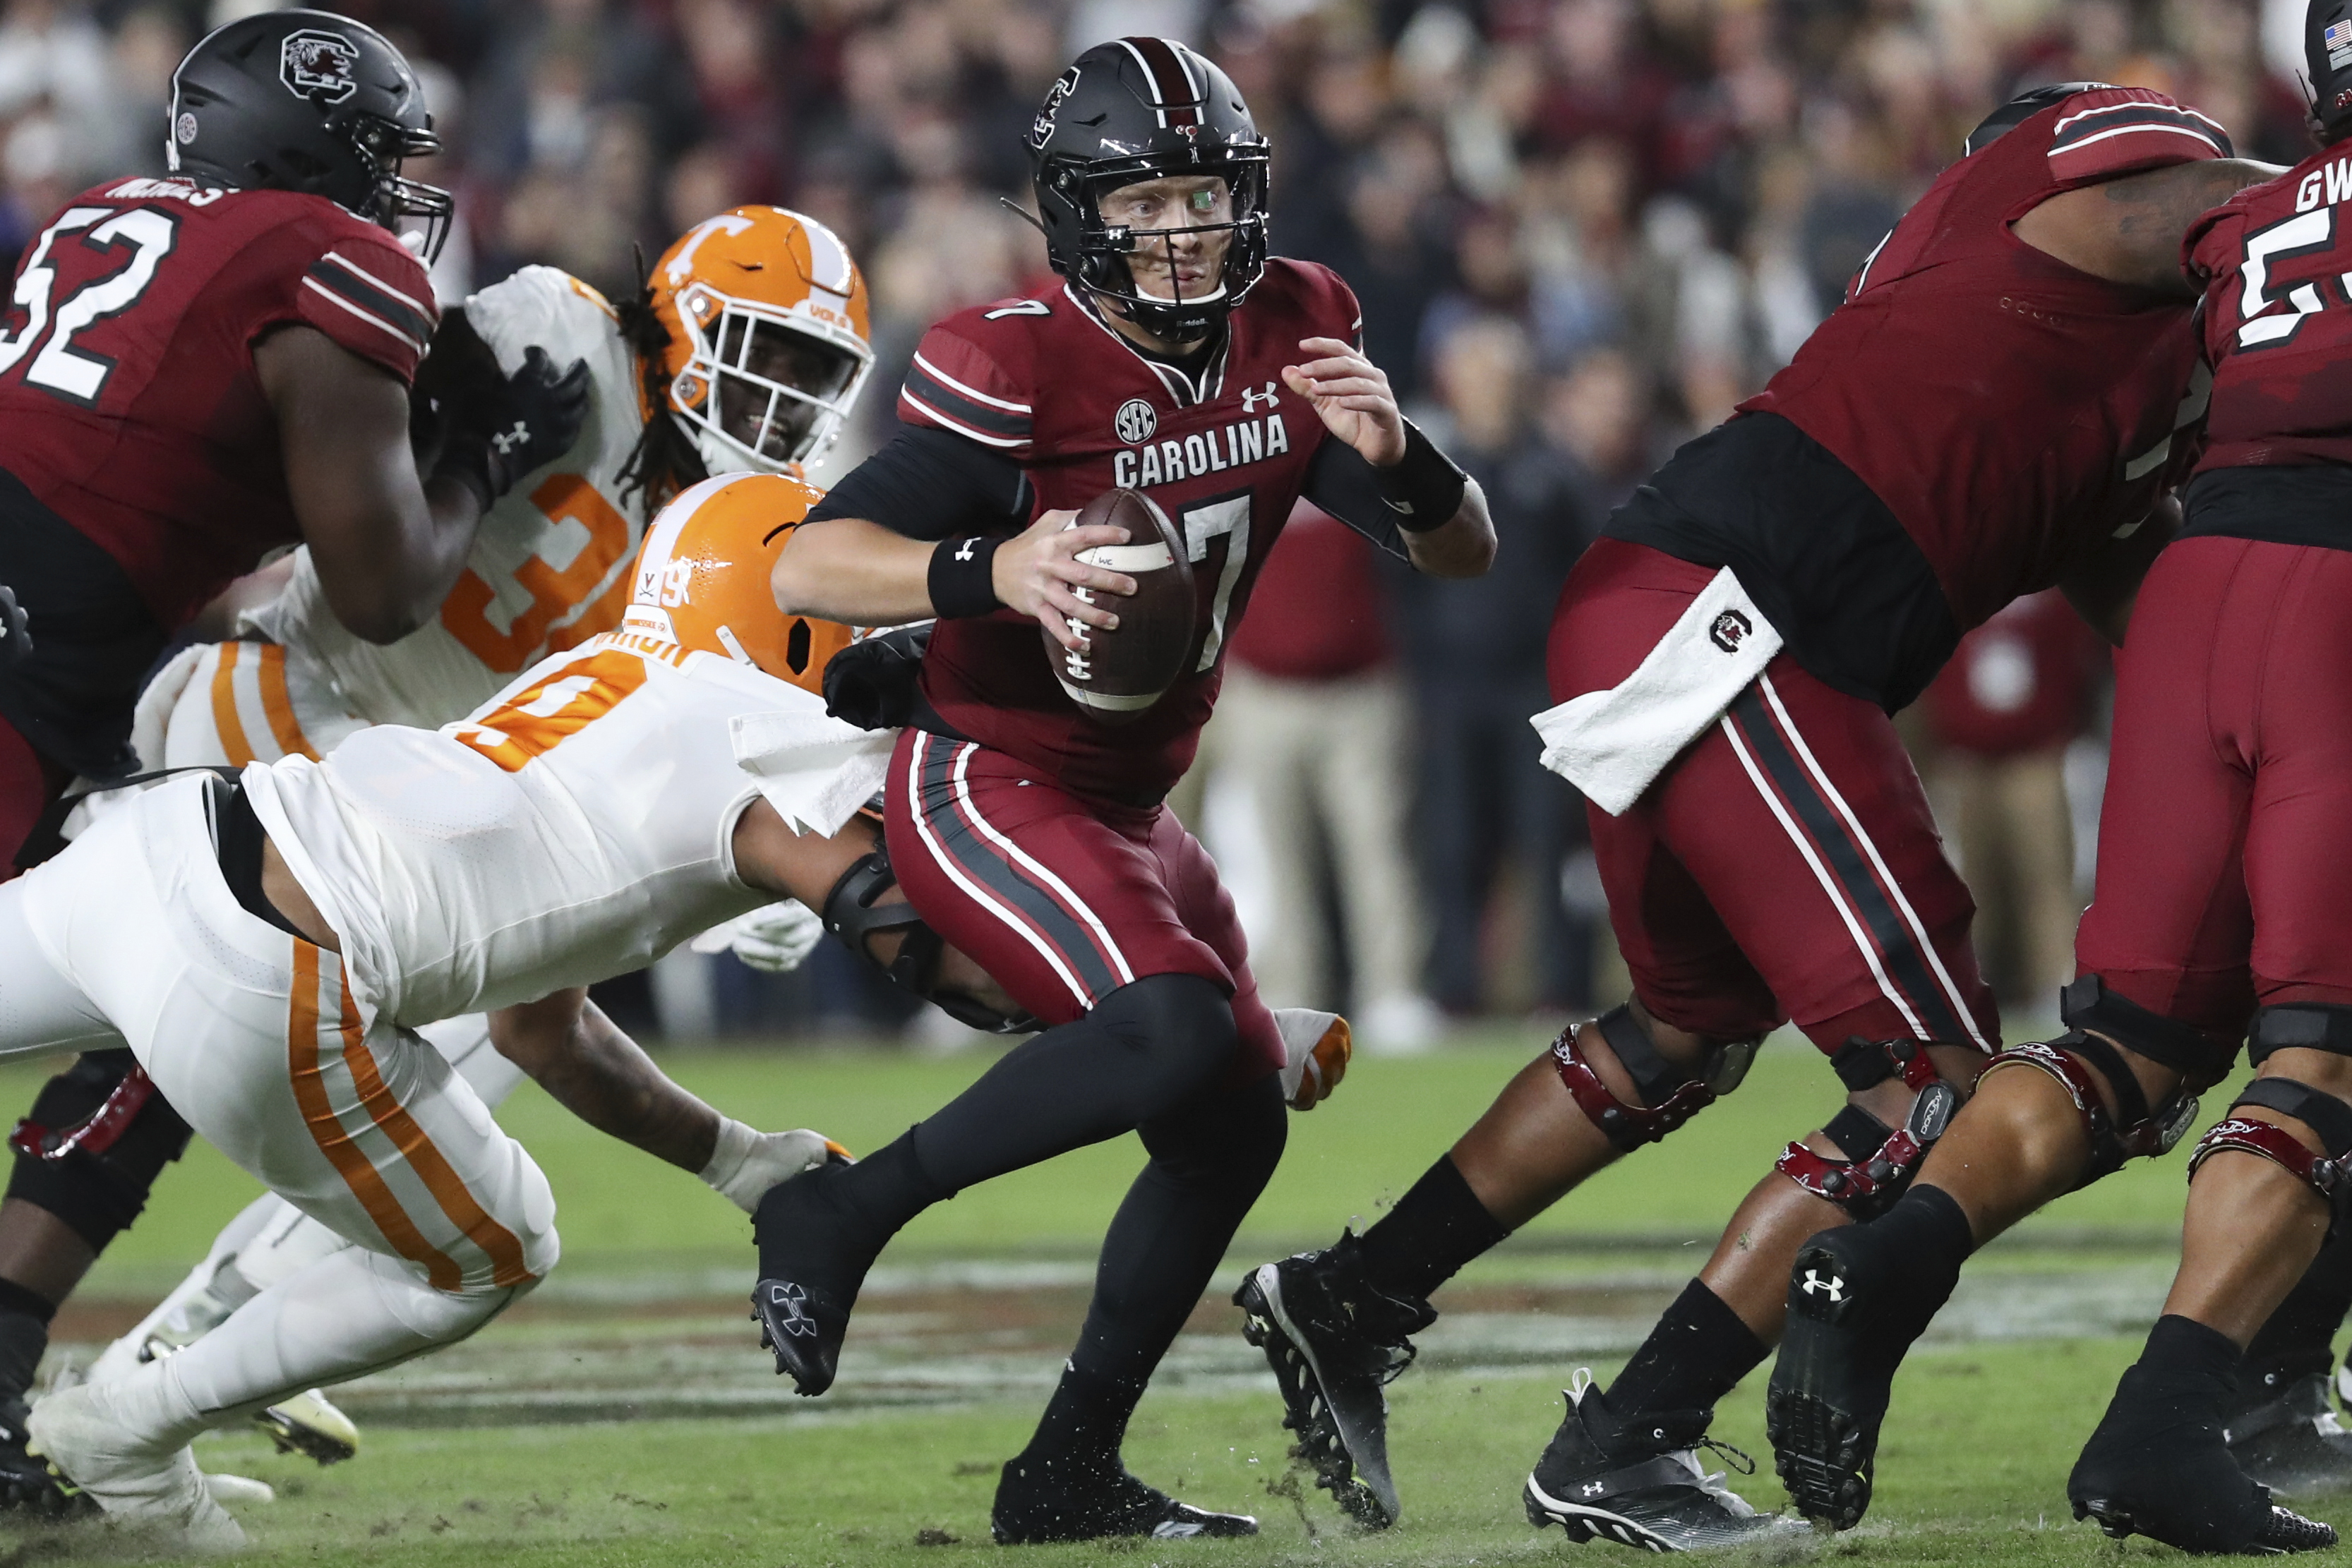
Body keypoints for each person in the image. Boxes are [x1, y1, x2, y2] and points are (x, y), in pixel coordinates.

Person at [1232, 81, 2272, 1545]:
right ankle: (1627, 1436)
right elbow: (2221, 207)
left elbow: (2163, 622)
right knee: (1936, 1086)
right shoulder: (2057, 196)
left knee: (1683, 1032)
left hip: (1680, 609)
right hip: (1741, 622)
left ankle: (1348, 1296)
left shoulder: (2114, 390)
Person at [752, 36, 1492, 1544]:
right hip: (988, 769)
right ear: (1079, 216)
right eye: (1145, 202)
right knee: (1168, 1029)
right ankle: (842, 1207)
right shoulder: (1011, 356)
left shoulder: (1299, 324)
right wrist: (991, 567)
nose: (1183, 233)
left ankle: (1066, 1468)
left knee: (1234, 1126)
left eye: (1206, 198)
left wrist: (1406, 459)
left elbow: (1458, 549)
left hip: (1137, 802)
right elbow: (809, 561)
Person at [56, 202, 876, 1475]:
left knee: (471, 1000)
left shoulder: (731, 526)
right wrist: (464, 441)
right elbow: (350, 424)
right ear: (689, 328)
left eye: (819, 378)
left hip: (401, 796)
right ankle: (200, 1344)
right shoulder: (568, 339)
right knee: (407, 1010)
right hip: (276, 712)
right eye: (772, 353)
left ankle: (202, 1338)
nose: (785, 404)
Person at [0, 472, 913, 1547]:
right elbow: (921, 941)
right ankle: (128, 1426)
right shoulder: (758, 729)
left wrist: (741, 1163)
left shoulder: (598, 675)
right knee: (494, 1248)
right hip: (258, 965)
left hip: (163, 842)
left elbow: (542, 1028)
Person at [1767, 7, 2352, 1552]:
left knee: (2129, 1048)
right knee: (2327, 1064)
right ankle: (2177, 1421)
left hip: (2189, 592)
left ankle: (1878, 1267)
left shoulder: (2245, 212)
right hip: (2333, 605)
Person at [0, 9, 593, 1512]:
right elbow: (390, 586)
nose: (395, 198)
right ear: (306, 137)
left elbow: (135, 481)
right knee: (173, 976)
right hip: (31, 673)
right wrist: (484, 458)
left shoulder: (98, 214)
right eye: (378, 158)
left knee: (155, 992)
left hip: (43, 646)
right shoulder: (326, 267)